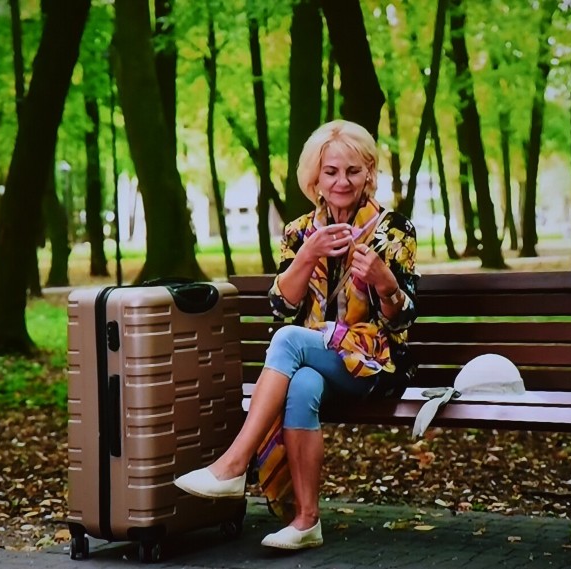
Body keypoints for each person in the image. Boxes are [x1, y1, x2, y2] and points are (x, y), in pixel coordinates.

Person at [175, 119, 419, 550]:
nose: (342, 181)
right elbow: (281, 306)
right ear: (315, 178)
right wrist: (307, 254)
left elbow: (401, 323)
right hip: (318, 363)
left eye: (353, 171)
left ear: (369, 174)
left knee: (288, 340)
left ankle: (233, 464)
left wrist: (386, 283)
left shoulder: (394, 230)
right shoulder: (298, 232)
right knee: (302, 381)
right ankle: (306, 520)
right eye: (331, 172)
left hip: (376, 364)